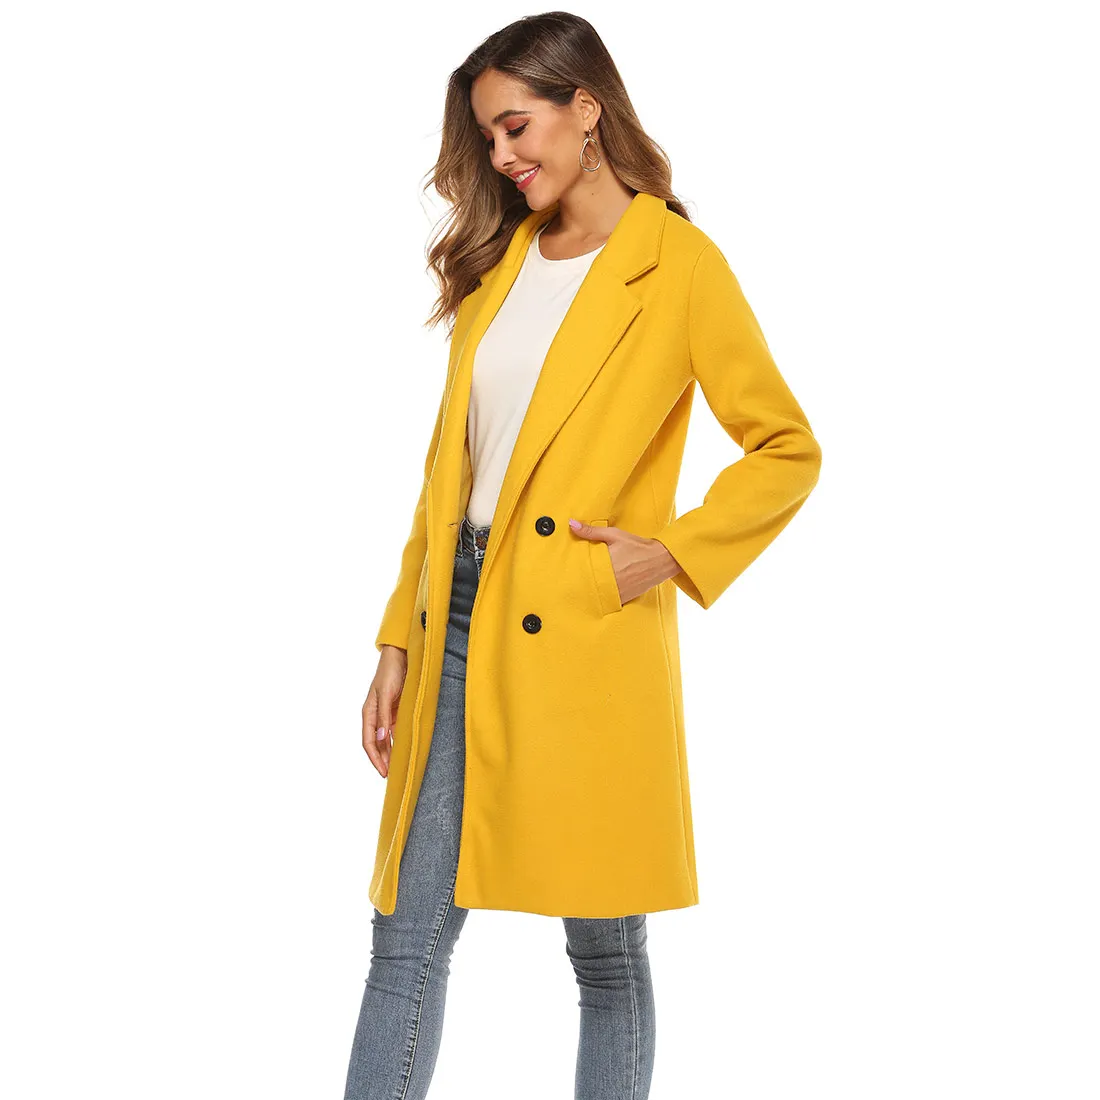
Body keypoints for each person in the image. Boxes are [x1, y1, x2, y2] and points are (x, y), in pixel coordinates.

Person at [345, 13, 822, 1100]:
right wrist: (396, 634)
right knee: (405, 933)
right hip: (455, 613)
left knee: (603, 952)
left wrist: (670, 553)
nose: (502, 154)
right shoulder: (501, 262)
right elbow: (448, 473)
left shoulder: (678, 265)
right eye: (488, 136)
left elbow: (786, 447)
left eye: (516, 126)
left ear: (586, 108)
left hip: (582, 626)